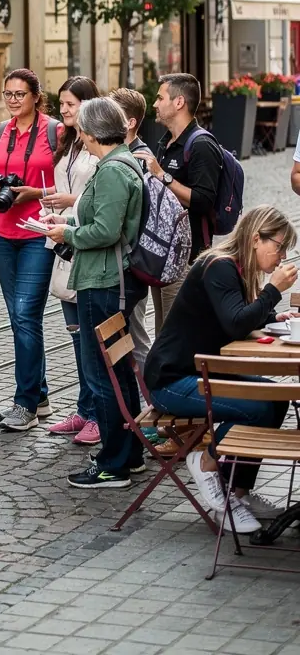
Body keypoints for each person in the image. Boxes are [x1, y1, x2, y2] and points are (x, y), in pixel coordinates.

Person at [145, 206, 298, 533]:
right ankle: (206, 461)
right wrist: (273, 291)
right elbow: (235, 323)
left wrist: (273, 318)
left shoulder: (233, 267)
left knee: (276, 399)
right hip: (171, 380)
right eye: (280, 246)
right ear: (256, 239)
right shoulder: (220, 267)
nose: (282, 256)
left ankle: (238, 494)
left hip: (199, 371)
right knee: (257, 409)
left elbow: (233, 315)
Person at [46, 98, 147, 489]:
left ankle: (112, 463)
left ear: (90, 132)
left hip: (103, 282)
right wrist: (67, 220)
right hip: (109, 280)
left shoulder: (112, 170)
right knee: (117, 371)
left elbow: (105, 231)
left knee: (104, 374)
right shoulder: (121, 163)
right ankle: (129, 453)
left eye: (82, 130)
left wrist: (67, 233)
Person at [0, 68, 59, 432]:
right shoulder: (0, 131)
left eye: (20, 94)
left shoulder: (55, 132)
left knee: (27, 314)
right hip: (1, 231)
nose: (13, 100)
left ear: (36, 97)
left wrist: (35, 193)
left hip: (38, 232)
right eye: (8, 94)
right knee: (19, 316)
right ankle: (40, 396)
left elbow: (69, 182)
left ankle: (25, 403)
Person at [43, 77, 101, 445]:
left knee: (93, 341)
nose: (63, 110)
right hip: (64, 244)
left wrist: (69, 202)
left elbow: (102, 197)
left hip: (88, 246)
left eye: (70, 104)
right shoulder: (67, 142)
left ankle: (98, 414)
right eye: (61, 104)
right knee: (77, 338)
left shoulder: (99, 144)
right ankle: (84, 407)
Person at [147, 73, 223, 327]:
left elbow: (203, 201)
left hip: (186, 258)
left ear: (179, 102)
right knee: (163, 329)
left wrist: (162, 175)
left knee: (176, 333)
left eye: (160, 98)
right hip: (162, 255)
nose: (155, 104)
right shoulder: (166, 143)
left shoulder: (201, 144)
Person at [109, 87, 154, 367]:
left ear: (130, 122)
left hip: (133, 257)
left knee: (135, 332)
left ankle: (148, 388)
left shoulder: (139, 157)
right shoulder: (122, 152)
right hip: (126, 256)